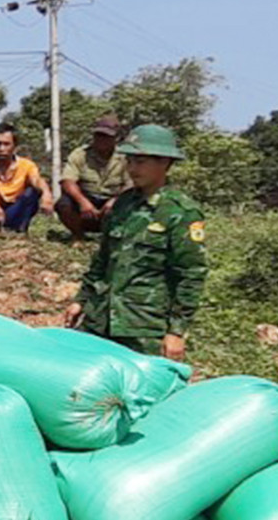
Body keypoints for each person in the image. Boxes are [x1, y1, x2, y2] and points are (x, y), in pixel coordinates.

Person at [64, 124, 207, 361]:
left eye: (140, 162)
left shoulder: (180, 212)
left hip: (143, 326)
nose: (132, 169)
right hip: (100, 318)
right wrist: (81, 300)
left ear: (164, 162)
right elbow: (102, 259)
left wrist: (177, 332)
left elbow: (191, 274)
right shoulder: (122, 204)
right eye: (129, 161)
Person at [56, 115, 132, 244]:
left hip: (112, 200)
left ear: (116, 138)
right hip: (86, 200)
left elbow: (131, 184)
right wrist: (83, 202)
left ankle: (115, 236)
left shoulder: (126, 157)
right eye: (98, 135)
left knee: (132, 203)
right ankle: (78, 236)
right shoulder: (80, 154)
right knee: (63, 204)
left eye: (106, 136)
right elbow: (67, 181)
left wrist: (115, 201)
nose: (101, 140)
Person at [0, 123, 54, 232]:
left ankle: (19, 229)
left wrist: (46, 194)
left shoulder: (26, 165)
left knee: (32, 192)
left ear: (15, 146)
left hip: (13, 211)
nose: (1, 148)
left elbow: (36, 180)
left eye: (6, 144)